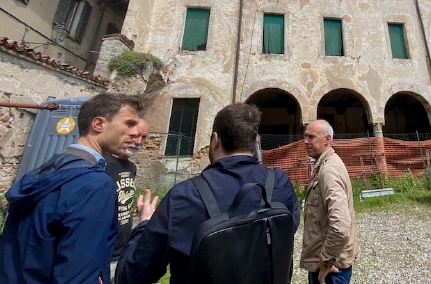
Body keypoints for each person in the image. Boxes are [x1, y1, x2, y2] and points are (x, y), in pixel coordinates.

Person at [115, 103, 300, 284]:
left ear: (215, 139)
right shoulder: (279, 183)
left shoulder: (184, 196)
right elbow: (288, 227)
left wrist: (143, 224)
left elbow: (133, 275)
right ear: (255, 141)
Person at [0, 93, 143, 284]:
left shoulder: (51, 166)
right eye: (129, 124)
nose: (135, 133)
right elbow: (78, 273)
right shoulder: (94, 184)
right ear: (99, 124)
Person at [299, 120, 360, 284]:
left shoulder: (329, 170)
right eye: (305, 136)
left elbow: (340, 226)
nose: (305, 141)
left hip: (331, 269)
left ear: (326, 139)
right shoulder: (324, 164)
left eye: (311, 137)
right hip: (329, 262)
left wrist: (325, 263)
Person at [105, 119, 150, 282]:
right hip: (102, 253)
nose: (138, 141)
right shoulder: (103, 164)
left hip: (121, 250)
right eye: (135, 135)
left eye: (144, 137)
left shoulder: (131, 167)